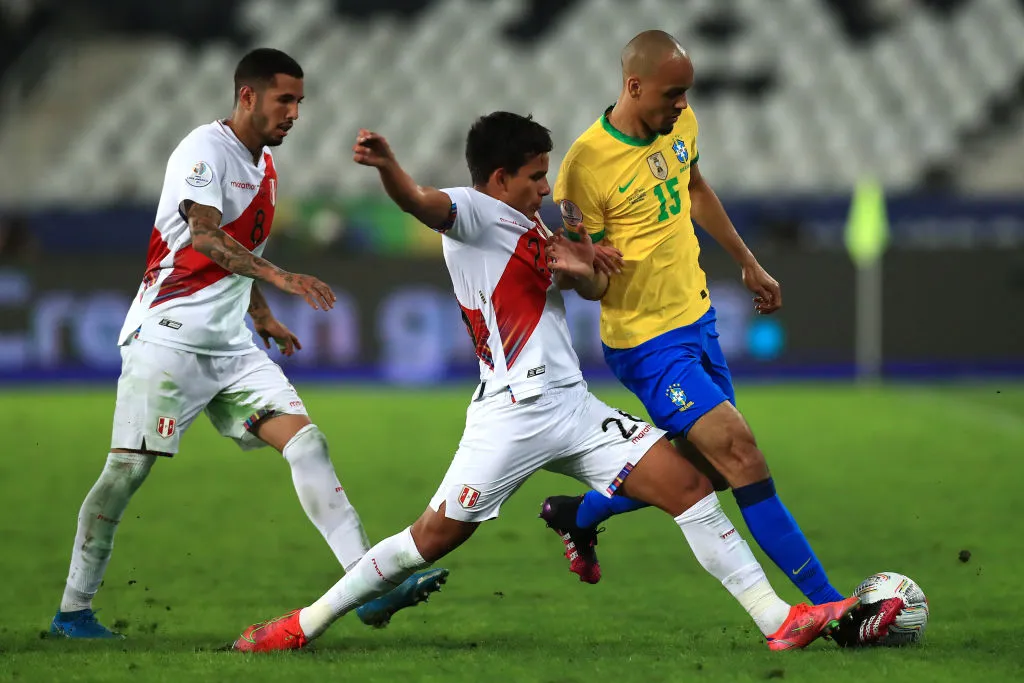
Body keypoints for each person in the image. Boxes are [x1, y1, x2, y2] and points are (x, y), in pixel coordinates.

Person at [230, 111, 862, 654]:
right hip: (511, 416)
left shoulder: (534, 229)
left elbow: (584, 286)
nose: (545, 187)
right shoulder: (474, 213)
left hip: (574, 408)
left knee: (692, 485)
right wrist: (387, 166)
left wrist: (586, 261)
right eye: (535, 176)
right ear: (500, 178)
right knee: (429, 540)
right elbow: (419, 202)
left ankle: (778, 620)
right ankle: (301, 625)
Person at [49, 48, 446, 639]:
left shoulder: (265, 169)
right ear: (247, 96)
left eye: (299, 102)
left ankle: (368, 586)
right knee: (126, 472)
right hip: (169, 338)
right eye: (284, 99)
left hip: (231, 346)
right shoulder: (203, 151)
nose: (294, 113)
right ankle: (73, 610)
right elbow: (206, 239)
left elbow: (235, 260)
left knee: (307, 443)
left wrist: (260, 314)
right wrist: (282, 280)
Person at [540, 29, 879, 629]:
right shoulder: (583, 168)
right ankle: (830, 605)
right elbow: (580, 283)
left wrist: (747, 260)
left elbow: (693, 189)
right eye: (672, 93)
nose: (682, 104)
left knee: (711, 470)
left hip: (698, 322)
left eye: (686, 93)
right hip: (645, 343)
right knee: (742, 452)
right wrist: (594, 269)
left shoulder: (682, 125)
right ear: (633, 84)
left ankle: (580, 515)